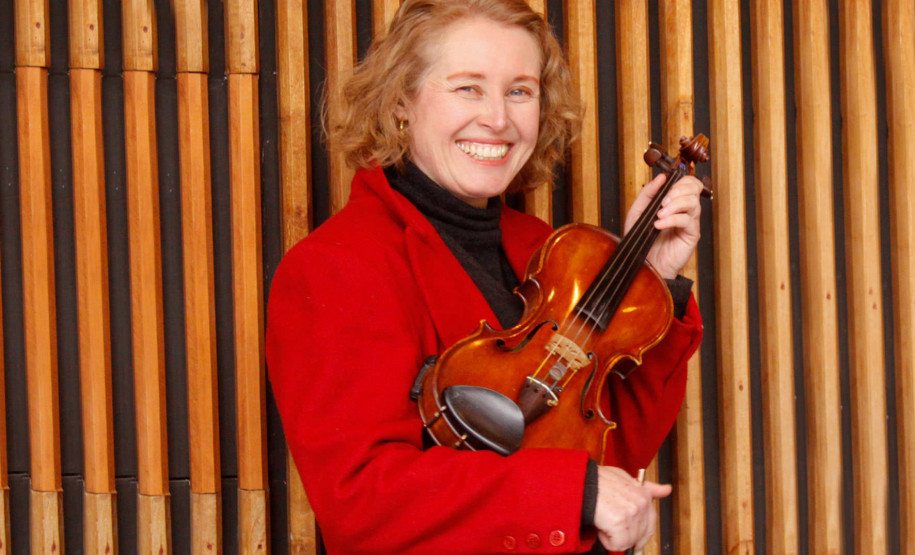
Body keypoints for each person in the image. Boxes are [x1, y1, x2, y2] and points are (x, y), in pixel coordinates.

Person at [266, 1, 704, 553]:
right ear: (402, 101)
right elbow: (362, 502)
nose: (498, 118)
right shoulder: (335, 268)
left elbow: (616, 440)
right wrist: (578, 493)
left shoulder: (546, 249)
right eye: (468, 88)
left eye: (519, 91)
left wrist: (652, 277)